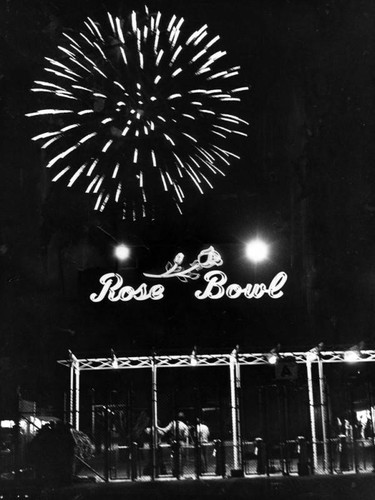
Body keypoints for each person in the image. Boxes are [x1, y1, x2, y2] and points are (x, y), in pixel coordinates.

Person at [159, 412, 189, 477]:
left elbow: (165, 430)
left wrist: (157, 427)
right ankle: (180, 472)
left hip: (173, 442)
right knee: (181, 457)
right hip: (181, 443)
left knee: (173, 457)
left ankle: (174, 471)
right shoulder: (184, 425)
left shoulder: (172, 423)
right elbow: (186, 435)